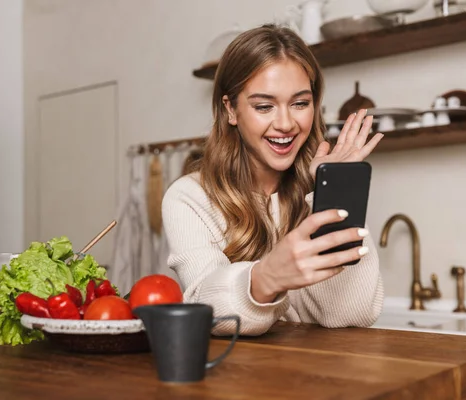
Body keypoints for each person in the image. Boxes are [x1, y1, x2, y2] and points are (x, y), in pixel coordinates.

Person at [162, 24, 384, 336]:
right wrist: (266, 278)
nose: (285, 124)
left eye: (300, 103)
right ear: (231, 110)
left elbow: (352, 313)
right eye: (264, 106)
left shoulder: (315, 191)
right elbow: (210, 315)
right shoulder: (189, 198)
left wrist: (335, 192)